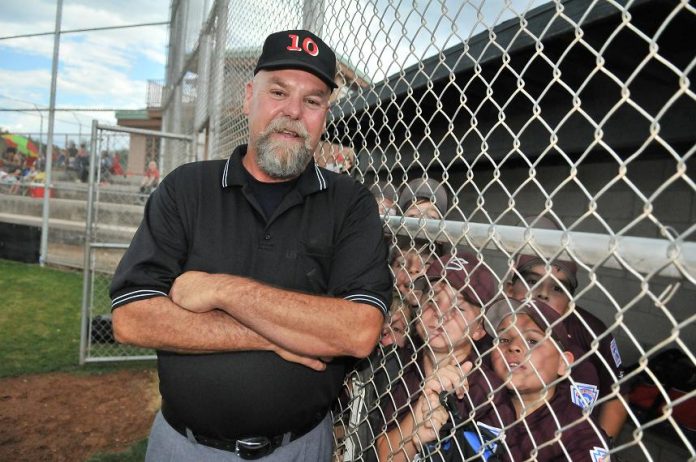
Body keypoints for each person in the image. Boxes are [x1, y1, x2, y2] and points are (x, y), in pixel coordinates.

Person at [109, 29, 392, 462]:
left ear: (324, 115)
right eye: (278, 91)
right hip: (184, 447)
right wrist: (277, 337)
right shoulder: (187, 188)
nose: (293, 112)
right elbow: (133, 319)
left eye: (313, 101)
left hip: (298, 448)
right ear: (248, 97)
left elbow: (358, 332)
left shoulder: (349, 202)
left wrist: (223, 290)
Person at [376, 253, 517, 462]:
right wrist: (421, 409)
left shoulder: (487, 391)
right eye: (432, 299)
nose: (441, 314)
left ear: (479, 329)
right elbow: (382, 454)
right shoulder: (400, 363)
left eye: (458, 307)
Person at [505, 216, 628, 441]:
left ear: (571, 302)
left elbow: (616, 396)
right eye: (532, 282)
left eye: (558, 288)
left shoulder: (591, 332)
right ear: (510, 290)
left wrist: (600, 446)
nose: (543, 293)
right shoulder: (497, 324)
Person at [485, 297, 610, 461]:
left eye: (532, 341)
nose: (513, 346)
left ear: (563, 363)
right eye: (503, 339)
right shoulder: (478, 395)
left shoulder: (578, 434)